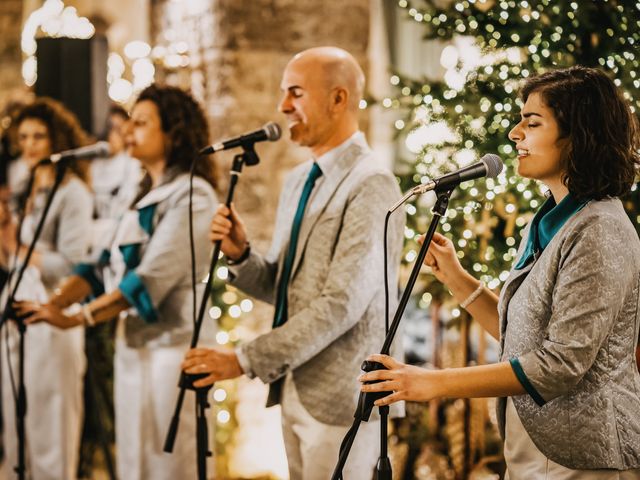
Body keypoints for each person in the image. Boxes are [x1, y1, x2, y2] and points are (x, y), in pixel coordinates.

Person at [359, 66, 640, 478]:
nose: (514, 133)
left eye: (532, 122)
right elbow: (523, 340)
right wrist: (455, 276)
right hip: (533, 447)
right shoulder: (550, 219)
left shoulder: (600, 229)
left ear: (578, 134)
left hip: (587, 454)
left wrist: (429, 383)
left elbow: (560, 364)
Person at [181, 46, 405, 479]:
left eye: (296, 93)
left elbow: (342, 304)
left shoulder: (373, 183)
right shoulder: (299, 179)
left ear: (338, 99)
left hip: (343, 398)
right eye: (285, 93)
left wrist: (243, 360)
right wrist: (241, 255)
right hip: (295, 386)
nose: (283, 106)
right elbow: (285, 285)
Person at [15, 84, 218, 480]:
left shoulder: (194, 195)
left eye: (141, 123)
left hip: (173, 350)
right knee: (133, 463)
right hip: (133, 345)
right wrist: (53, 306)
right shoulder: (141, 193)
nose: (128, 132)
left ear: (173, 133)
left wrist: (77, 319)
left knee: (168, 463)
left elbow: (147, 281)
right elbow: (97, 265)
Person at [1, 98, 94, 480]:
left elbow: (73, 264)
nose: (31, 145)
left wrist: (15, 245)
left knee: (51, 417)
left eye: (39, 136)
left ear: (58, 138)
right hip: (17, 305)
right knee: (15, 416)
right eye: (23, 137)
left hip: (54, 307)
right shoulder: (24, 185)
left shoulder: (73, 193)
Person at [91, 104, 141, 221]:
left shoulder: (131, 164)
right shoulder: (96, 162)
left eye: (118, 130)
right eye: (110, 127)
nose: (112, 134)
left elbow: (126, 202)